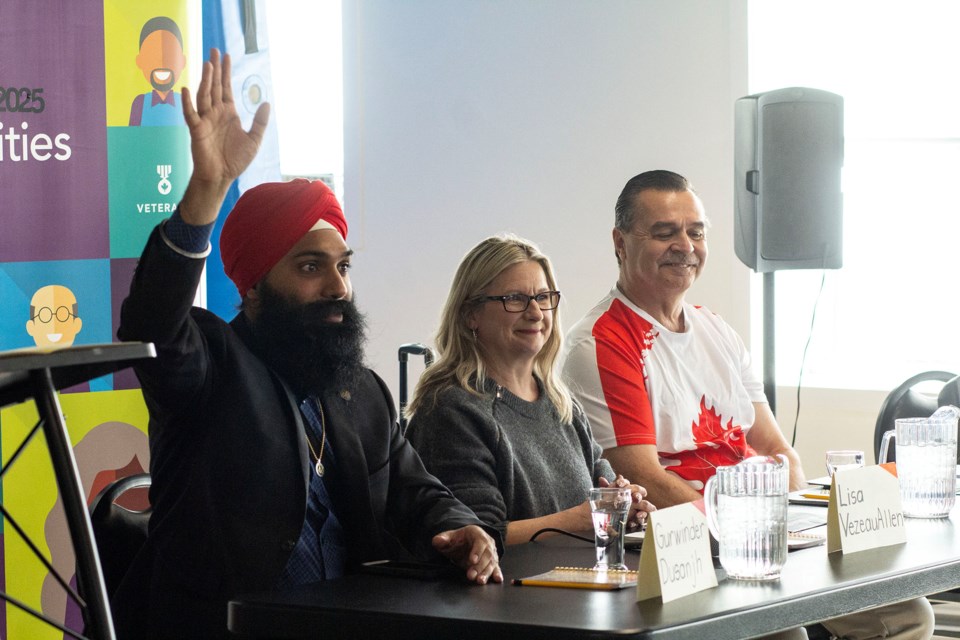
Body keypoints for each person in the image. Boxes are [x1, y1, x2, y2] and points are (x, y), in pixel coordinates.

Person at [115, 49, 501, 640]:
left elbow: (414, 489)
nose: (338, 287)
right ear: (252, 287)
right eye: (311, 267)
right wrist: (206, 192)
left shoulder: (361, 390)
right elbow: (153, 323)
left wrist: (461, 525)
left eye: (343, 265)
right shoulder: (211, 366)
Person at [561, 169, 934, 640]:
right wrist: (750, 537)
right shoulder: (602, 343)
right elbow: (645, 478)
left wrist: (792, 530)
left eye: (696, 231)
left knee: (909, 614)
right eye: (664, 232)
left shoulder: (716, 329)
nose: (686, 245)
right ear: (620, 241)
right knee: (785, 635)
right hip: (693, 553)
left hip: (766, 536)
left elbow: (779, 451)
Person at [405, 234, 655, 545]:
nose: (536, 312)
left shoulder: (563, 404)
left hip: (577, 585)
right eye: (514, 299)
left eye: (543, 297)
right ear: (471, 313)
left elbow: (603, 484)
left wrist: (624, 503)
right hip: (506, 591)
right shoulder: (451, 411)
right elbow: (477, 538)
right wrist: (585, 518)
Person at [129, 16, 187, 126]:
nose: (162, 62)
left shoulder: (184, 101)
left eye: (170, 53)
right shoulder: (140, 104)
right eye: (153, 54)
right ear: (139, 61)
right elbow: (132, 138)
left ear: (183, 61)